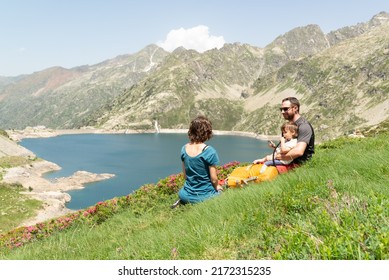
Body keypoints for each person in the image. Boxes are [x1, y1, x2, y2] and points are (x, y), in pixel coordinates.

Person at [171, 116, 223, 208]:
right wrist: (217, 187)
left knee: (185, 193)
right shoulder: (209, 151)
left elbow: (185, 176)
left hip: (185, 195)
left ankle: (182, 202)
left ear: (191, 131)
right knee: (221, 192)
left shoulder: (184, 148)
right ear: (207, 132)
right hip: (204, 197)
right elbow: (214, 179)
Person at [277, 97, 315, 165]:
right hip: (287, 162)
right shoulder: (289, 126)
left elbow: (298, 151)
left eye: (285, 109)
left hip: (299, 164)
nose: (282, 112)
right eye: (281, 109)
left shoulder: (304, 126)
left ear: (295, 108)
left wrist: (277, 157)